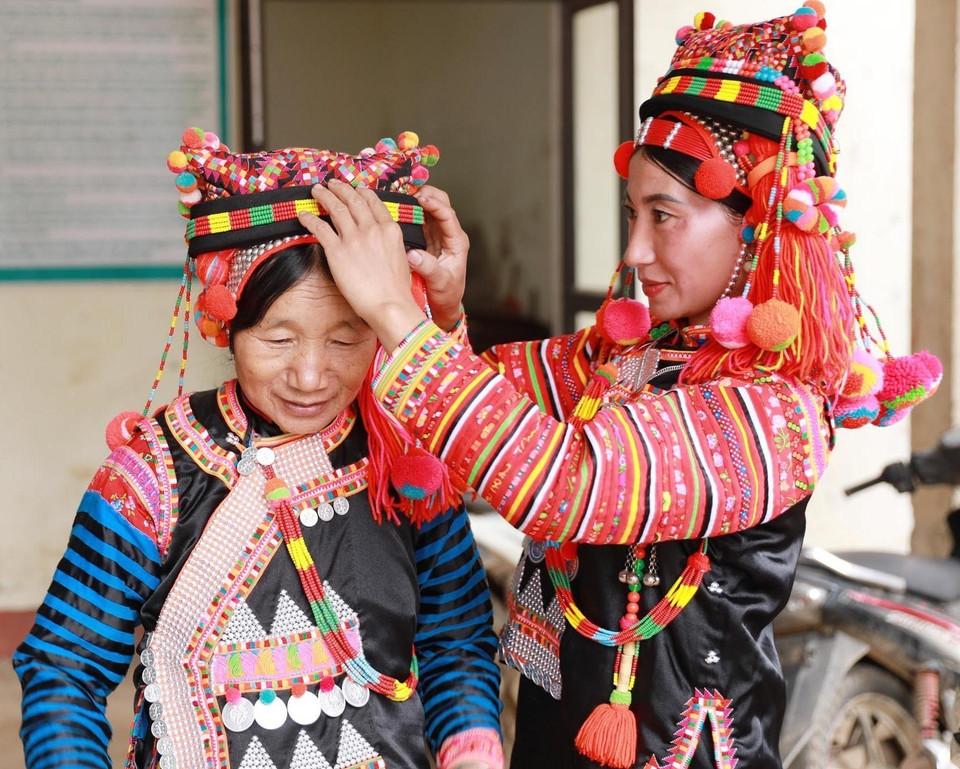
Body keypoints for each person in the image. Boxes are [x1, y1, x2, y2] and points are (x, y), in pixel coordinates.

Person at [294, 5, 942, 768]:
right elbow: (478, 410)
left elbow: (566, 482)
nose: (635, 248)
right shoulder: (621, 359)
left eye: (664, 216)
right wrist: (437, 315)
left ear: (758, 222)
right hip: (553, 733)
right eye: (633, 213)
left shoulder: (777, 410)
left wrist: (396, 317)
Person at [14, 130, 504, 769]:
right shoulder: (156, 472)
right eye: (278, 340)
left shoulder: (404, 465)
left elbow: (456, 641)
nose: (310, 376)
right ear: (229, 326)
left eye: (346, 341)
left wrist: (470, 747)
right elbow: (65, 666)